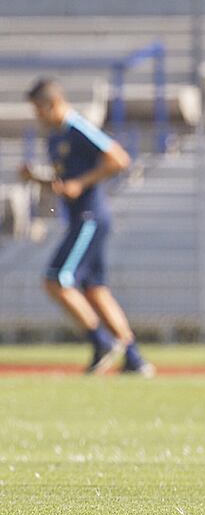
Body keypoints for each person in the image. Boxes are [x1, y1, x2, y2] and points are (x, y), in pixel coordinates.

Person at [20, 79, 154, 377]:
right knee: (95, 290)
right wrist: (36, 178)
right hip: (81, 219)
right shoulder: (55, 138)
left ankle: (101, 342)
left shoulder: (78, 127)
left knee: (56, 280)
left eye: (39, 110)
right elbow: (64, 184)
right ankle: (134, 359)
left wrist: (81, 183)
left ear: (51, 104)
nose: (37, 117)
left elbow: (118, 158)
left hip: (90, 218)